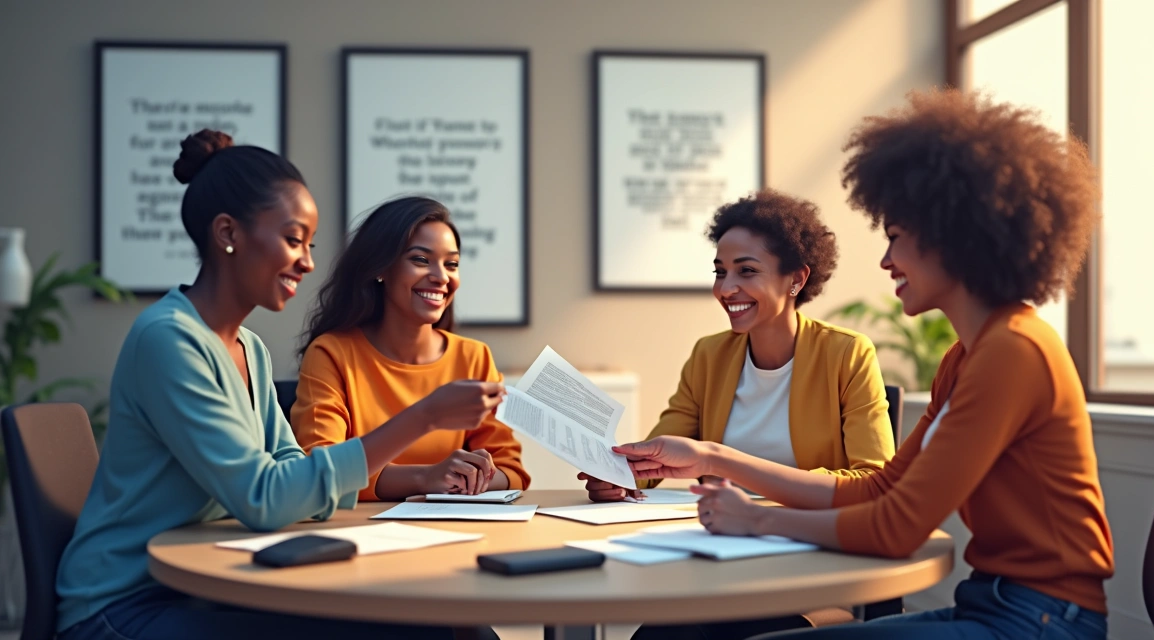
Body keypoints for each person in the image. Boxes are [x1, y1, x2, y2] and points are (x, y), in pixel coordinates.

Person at [617, 90, 1113, 640]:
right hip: (992, 604)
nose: (885, 260)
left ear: (952, 238)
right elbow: (880, 490)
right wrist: (710, 456)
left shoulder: (1013, 351)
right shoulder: (966, 357)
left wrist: (757, 518)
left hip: (1041, 621)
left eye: (895, 238)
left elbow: (898, 528)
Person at [56, 130, 501, 640]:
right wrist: (424, 417)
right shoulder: (169, 341)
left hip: (209, 587)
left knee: (442, 629)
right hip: (125, 604)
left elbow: (293, 472)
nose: (308, 262)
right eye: (293, 240)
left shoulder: (249, 347)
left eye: (310, 245)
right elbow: (263, 497)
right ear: (229, 233)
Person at [585, 189, 897, 639]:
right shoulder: (709, 355)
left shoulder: (846, 354)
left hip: (809, 576)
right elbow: (662, 450)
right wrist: (621, 475)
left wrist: (722, 463)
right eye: (720, 272)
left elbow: (871, 483)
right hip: (718, 568)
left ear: (796, 279)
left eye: (746, 271)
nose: (726, 288)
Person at [292, 196, 528, 500]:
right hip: (362, 525)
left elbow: (511, 471)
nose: (441, 277)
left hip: (451, 524)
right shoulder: (331, 354)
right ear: (381, 268)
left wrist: (465, 481)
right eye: (420, 260)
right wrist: (425, 477)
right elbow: (321, 472)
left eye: (452, 264)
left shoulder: (473, 357)